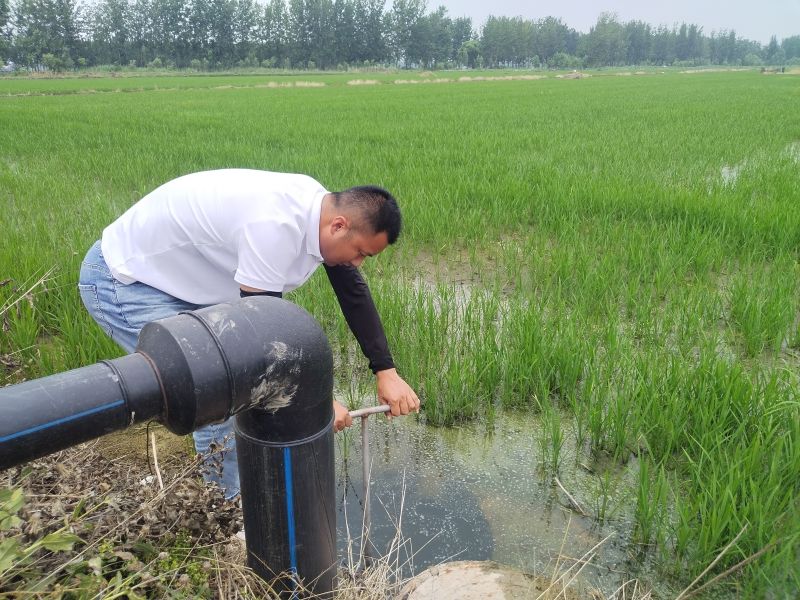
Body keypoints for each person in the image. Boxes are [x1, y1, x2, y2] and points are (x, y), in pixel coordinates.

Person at [78, 168, 420, 500]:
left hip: (184, 280)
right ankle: (225, 509)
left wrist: (386, 371)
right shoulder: (274, 226)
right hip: (125, 279)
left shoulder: (319, 211)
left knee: (232, 384)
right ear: (339, 225)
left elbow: (352, 291)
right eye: (360, 252)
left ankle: (237, 489)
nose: (358, 263)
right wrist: (317, 404)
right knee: (213, 391)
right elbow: (263, 332)